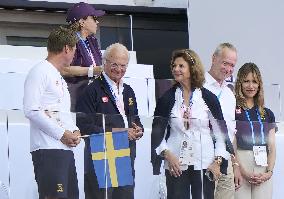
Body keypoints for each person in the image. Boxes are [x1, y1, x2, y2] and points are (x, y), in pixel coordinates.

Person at [151, 49, 233, 199]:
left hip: (204, 163)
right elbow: (157, 135)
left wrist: (218, 161)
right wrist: (168, 155)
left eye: (181, 66)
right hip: (176, 164)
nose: (176, 69)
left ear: (192, 68)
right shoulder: (167, 98)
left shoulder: (208, 98)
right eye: (174, 66)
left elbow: (221, 135)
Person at [76, 43, 143, 199]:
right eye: (114, 64)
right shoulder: (91, 90)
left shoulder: (129, 91)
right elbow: (84, 127)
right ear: (104, 62)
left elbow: (135, 119)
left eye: (123, 65)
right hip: (102, 154)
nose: (119, 69)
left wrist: (138, 129)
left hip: (124, 154)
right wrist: (117, 133)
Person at [23, 26, 81, 199]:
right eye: (74, 50)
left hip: (63, 149)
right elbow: (31, 110)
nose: (74, 55)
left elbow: (62, 113)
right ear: (66, 48)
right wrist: (62, 133)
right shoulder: (39, 71)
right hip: (47, 148)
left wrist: (74, 129)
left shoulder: (57, 76)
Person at [204, 42, 242, 199]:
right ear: (214, 58)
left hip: (225, 160)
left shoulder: (229, 94)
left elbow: (230, 131)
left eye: (232, 65)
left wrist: (235, 164)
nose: (228, 69)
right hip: (204, 157)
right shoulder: (198, 86)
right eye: (225, 63)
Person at [234, 63, 276, 199]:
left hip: (262, 167)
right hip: (240, 166)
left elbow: (272, 147)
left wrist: (269, 172)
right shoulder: (232, 110)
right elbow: (232, 145)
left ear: (259, 85)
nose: (251, 86)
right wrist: (241, 170)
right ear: (240, 83)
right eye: (246, 81)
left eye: (254, 82)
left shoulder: (268, 113)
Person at [63, 2, 105, 111]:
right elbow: (64, 69)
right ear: (82, 22)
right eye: (94, 18)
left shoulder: (92, 40)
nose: (97, 21)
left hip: (94, 96)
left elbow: (99, 66)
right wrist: (92, 71)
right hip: (77, 98)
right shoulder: (69, 39)